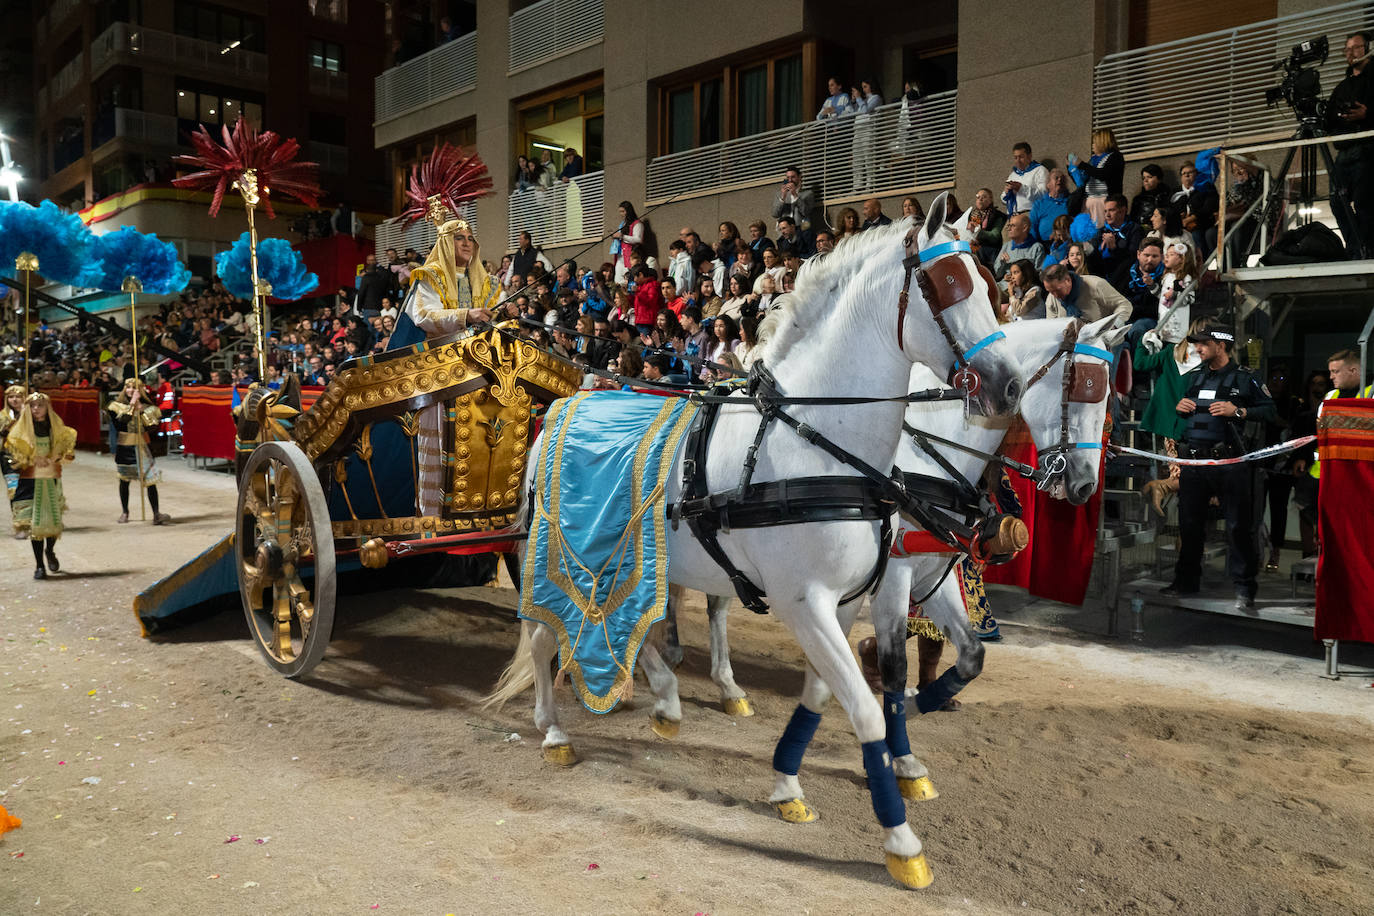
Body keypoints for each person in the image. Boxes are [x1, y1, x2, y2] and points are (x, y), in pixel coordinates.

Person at [393, 216, 498, 516]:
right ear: (445, 244)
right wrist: (467, 315)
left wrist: (504, 311)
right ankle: (433, 514)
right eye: (459, 238)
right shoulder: (429, 276)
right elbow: (424, 316)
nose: (467, 243)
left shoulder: (485, 280)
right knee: (441, 445)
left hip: (480, 369)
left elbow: (494, 313)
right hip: (441, 372)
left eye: (470, 238)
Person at [1166, 325, 1276, 609]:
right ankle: (1186, 581)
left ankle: (1244, 589)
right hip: (1194, 462)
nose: (1197, 349)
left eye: (1203, 344)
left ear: (1221, 345)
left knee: (1239, 527)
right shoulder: (1195, 377)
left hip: (1230, 464)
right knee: (1189, 525)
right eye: (1197, 344)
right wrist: (1179, 408)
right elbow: (1182, 412)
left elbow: (1271, 412)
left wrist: (1238, 411)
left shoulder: (1245, 377)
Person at [1135, 318, 1207, 517]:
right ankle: (1162, 488)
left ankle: (1162, 489)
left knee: (1189, 480)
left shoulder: (1171, 352)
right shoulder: (1208, 363)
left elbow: (1140, 363)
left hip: (1170, 427)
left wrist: (1143, 343)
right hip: (1192, 428)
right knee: (1191, 481)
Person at [4, 393, 76, 578]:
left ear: (47, 407)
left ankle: (50, 550)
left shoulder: (56, 428)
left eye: (40, 405)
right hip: (30, 479)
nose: (36, 408)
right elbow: (13, 450)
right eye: (33, 405)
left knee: (51, 520)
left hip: (50, 478)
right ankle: (39, 565)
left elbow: (67, 449)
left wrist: (56, 457)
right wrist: (31, 458)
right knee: (34, 523)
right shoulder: (21, 430)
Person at [1327, 31, 1374, 258]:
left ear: (1368, 47)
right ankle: (1357, 248)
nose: (1351, 53)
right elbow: (1329, 119)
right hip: (1344, 152)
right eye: (1347, 49)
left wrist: (1368, 113)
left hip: (1368, 149)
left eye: (1356, 47)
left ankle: (1367, 250)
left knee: (1365, 203)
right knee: (1338, 202)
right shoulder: (1341, 87)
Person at [108, 378, 170, 525]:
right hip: (125, 447)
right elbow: (121, 423)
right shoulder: (115, 406)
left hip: (143, 447)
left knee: (150, 481)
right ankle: (125, 512)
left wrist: (140, 409)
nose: (130, 390)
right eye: (128, 387)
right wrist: (131, 405)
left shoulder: (148, 408)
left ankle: (156, 514)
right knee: (124, 480)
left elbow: (152, 427)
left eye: (134, 388)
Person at [1068, 127, 1124, 226]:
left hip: (1104, 201)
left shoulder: (1115, 157)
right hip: (1088, 201)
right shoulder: (1093, 159)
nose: (1092, 145)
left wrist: (1082, 165)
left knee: (1100, 232)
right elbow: (1083, 180)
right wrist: (1071, 169)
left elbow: (1102, 174)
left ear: (1102, 142)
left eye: (1094, 142)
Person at [1042, 263, 1131, 323]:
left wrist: (1114, 326)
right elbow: (1051, 325)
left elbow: (1124, 305)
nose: (1055, 295)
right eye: (1050, 291)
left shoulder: (1095, 285)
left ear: (1068, 280)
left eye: (1058, 290)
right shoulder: (1051, 297)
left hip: (1105, 340)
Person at [1171, 160, 1219, 254]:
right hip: (1181, 227)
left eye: (1190, 173)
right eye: (1184, 173)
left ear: (1197, 175)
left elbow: (1209, 207)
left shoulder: (1207, 187)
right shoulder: (1175, 192)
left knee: (1196, 235)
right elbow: (1171, 210)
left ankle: (1202, 264)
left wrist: (1191, 218)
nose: (1187, 175)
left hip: (1202, 225)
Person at [2, 384, 27, 539]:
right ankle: (20, 525)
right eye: (11, 397)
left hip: (30, 458)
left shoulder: (32, 414)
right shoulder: (2, 417)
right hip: (8, 458)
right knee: (14, 491)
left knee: (29, 491)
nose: (14, 399)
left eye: (18, 396)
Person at [994, 212, 1045, 280]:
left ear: (1024, 228)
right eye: (1009, 226)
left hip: (1025, 287)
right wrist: (1003, 269)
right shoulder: (1006, 246)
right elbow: (997, 273)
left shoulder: (1036, 248)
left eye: (1013, 226)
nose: (1009, 229)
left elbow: (1038, 274)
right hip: (1005, 286)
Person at [1003, 141, 1048, 216]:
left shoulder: (1040, 170)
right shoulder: (1013, 175)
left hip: (1030, 213)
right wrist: (1006, 193)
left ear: (1029, 156)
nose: (1018, 161)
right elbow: (1004, 200)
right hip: (1012, 215)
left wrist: (1021, 188)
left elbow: (1044, 195)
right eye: (1015, 157)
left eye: (1021, 157)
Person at [964, 188, 1006, 268]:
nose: (980, 199)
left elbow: (995, 236)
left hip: (990, 249)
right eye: (978, 197)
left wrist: (977, 232)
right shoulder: (970, 215)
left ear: (990, 200)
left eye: (984, 197)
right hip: (973, 246)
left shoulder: (998, 216)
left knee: (977, 251)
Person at [1029, 168, 1071, 244]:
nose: (1060, 180)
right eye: (1056, 178)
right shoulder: (1039, 204)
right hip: (1044, 244)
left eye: (1062, 179)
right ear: (1048, 184)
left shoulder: (1070, 201)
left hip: (1065, 242)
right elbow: (1032, 226)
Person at [771, 165, 816, 233]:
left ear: (799, 177)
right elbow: (775, 214)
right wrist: (783, 197)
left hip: (801, 231)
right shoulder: (779, 194)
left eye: (793, 177)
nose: (790, 180)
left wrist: (795, 195)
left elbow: (806, 212)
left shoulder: (808, 194)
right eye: (788, 177)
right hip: (783, 232)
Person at [610, 202, 645, 284]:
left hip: (631, 255)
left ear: (629, 211)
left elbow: (638, 239)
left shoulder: (637, 224)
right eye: (620, 212)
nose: (621, 214)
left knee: (628, 280)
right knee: (618, 281)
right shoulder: (623, 224)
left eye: (623, 211)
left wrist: (622, 236)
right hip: (621, 256)